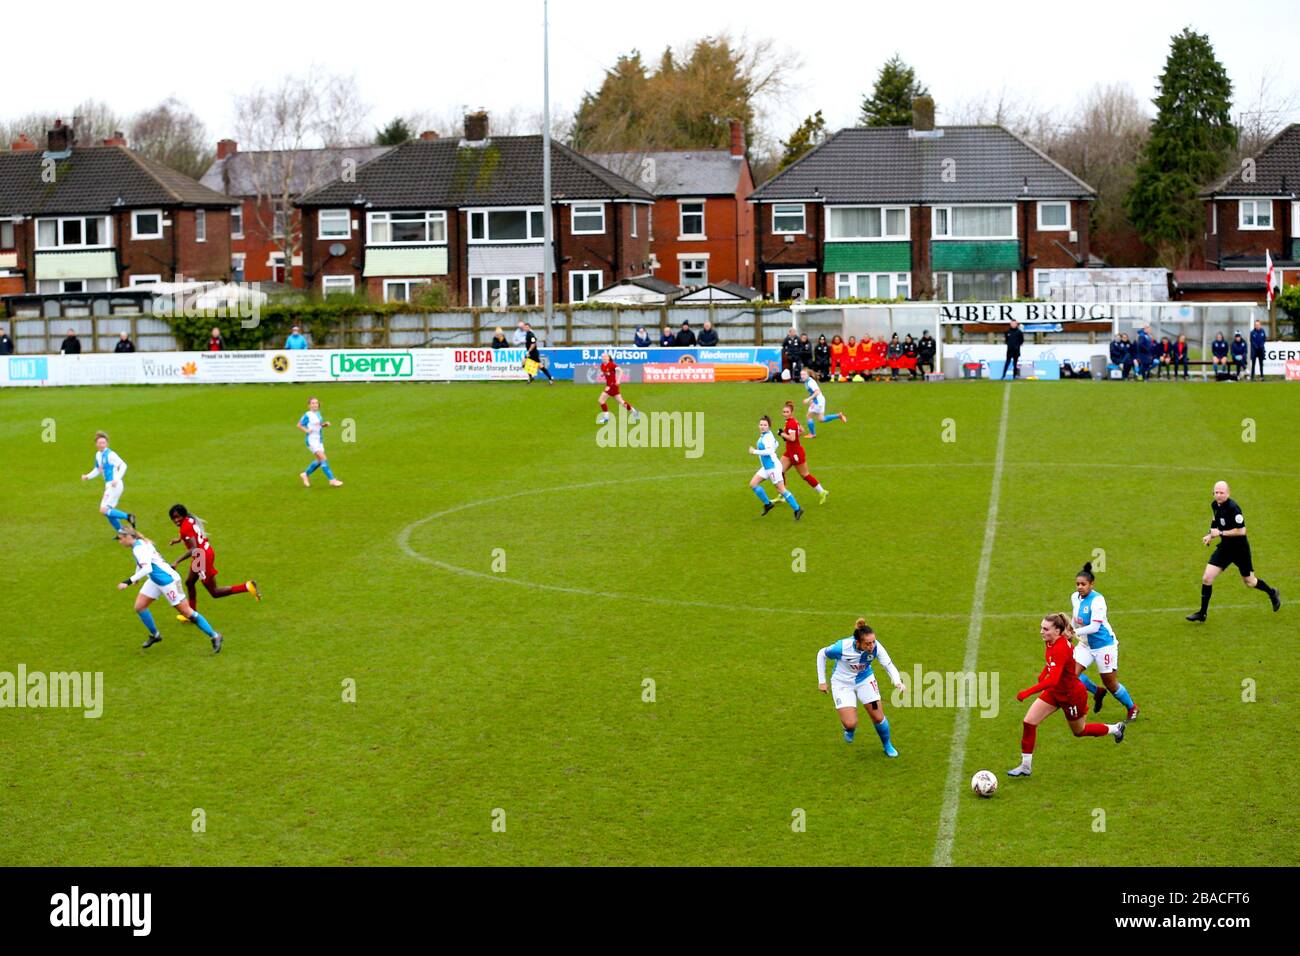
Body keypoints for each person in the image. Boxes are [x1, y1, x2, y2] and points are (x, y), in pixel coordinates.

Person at [1006, 613, 1127, 778]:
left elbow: (1054, 679)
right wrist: (1042, 674)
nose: (1041, 631)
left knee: (1079, 731)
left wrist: (1027, 692)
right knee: (1029, 722)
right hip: (1056, 692)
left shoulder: (1061, 647)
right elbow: (1051, 664)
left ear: (1057, 630)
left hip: (1071, 696)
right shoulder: (1050, 641)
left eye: (1045, 629)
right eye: (1042, 627)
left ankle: (1116, 728)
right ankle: (1025, 766)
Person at [116, 526, 224, 653]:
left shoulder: (139, 548)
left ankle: (215, 636)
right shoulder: (142, 544)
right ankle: (155, 635)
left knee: (187, 613)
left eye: (121, 539)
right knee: (140, 607)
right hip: (156, 580)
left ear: (129, 537)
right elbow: (142, 563)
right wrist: (137, 575)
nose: (120, 542)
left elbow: (147, 568)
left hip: (168, 582)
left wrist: (128, 581)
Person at [1186, 481, 1281, 622]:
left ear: (1228, 493)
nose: (1218, 495)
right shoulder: (1214, 505)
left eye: (1221, 492)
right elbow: (1215, 519)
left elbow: (1242, 531)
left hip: (1240, 550)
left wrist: (1220, 533)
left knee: (1250, 582)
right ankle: (1202, 613)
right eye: (1216, 492)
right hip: (1225, 549)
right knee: (1207, 578)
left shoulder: (1234, 509)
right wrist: (1210, 535)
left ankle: (1272, 592)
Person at [816, 619, 905, 756]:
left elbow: (888, 665)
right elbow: (822, 654)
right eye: (868, 643)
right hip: (842, 684)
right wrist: (822, 681)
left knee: (878, 716)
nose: (872, 646)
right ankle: (849, 729)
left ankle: (887, 744)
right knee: (850, 723)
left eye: (873, 642)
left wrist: (897, 681)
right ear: (858, 642)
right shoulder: (841, 647)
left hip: (865, 682)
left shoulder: (876, 647)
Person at [1070, 561, 1139, 721]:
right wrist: (1069, 629)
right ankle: (1097, 691)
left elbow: (1094, 627)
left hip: (1104, 646)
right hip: (1085, 645)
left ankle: (1132, 707)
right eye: (1077, 584)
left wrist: (1073, 632)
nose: (1080, 587)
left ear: (1092, 585)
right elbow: (1076, 618)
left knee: (1111, 683)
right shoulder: (1075, 597)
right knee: (1070, 675)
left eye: (1083, 584)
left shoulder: (1098, 601)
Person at [168, 504, 260, 618]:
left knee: (214, 592)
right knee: (189, 582)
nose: (176, 520)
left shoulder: (185, 527)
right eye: (173, 518)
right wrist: (178, 540)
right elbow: (190, 534)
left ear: (183, 515)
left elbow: (193, 548)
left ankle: (247, 586)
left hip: (202, 557)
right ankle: (191, 613)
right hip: (203, 553)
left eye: (178, 517)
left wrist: (176, 561)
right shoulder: (189, 520)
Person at [748, 415, 802, 520]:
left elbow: (770, 451)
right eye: (761, 424)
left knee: (781, 489)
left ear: (769, 426)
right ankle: (768, 504)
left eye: (765, 425)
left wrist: (754, 451)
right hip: (766, 467)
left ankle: (797, 509)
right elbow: (776, 444)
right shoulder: (765, 435)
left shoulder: (767, 437)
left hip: (773, 467)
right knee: (753, 484)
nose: (762, 426)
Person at [81, 430, 134, 533]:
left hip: (114, 485)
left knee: (103, 509)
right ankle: (121, 532)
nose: (101, 445)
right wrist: (87, 476)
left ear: (107, 444)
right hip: (109, 485)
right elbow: (98, 469)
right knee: (108, 512)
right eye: (100, 443)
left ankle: (128, 516)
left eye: (104, 443)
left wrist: (117, 479)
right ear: (96, 444)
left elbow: (123, 465)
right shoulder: (98, 455)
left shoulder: (111, 454)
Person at [779, 400, 828, 504]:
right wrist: (789, 435)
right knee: (779, 471)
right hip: (789, 452)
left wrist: (782, 434)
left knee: (804, 475)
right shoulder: (792, 421)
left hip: (796, 453)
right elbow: (802, 430)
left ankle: (822, 491)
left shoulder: (791, 423)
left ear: (791, 412)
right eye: (784, 412)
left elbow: (792, 438)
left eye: (787, 412)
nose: (785, 413)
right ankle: (782, 494)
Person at [297, 397, 343, 487]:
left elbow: (318, 426)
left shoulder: (318, 414)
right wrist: (306, 430)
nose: (315, 405)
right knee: (323, 458)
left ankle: (305, 474)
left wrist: (324, 425)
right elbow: (299, 425)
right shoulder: (307, 415)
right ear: (309, 405)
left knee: (319, 461)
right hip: (311, 440)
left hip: (319, 440)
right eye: (313, 403)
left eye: (316, 403)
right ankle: (332, 480)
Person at [800, 368, 846, 436]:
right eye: (801, 374)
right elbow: (813, 392)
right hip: (820, 400)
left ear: (808, 375)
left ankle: (812, 434)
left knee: (809, 416)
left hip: (818, 401)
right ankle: (838, 416)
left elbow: (817, 391)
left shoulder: (810, 382)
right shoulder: (807, 381)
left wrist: (808, 399)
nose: (802, 376)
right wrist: (811, 400)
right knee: (821, 419)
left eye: (804, 374)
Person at [597, 352, 638, 424]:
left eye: (604, 357)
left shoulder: (612, 364)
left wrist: (618, 380)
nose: (603, 358)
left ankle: (606, 418)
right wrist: (603, 374)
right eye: (602, 357)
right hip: (611, 386)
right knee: (621, 402)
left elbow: (620, 370)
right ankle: (634, 412)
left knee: (601, 400)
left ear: (608, 358)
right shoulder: (602, 365)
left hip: (612, 386)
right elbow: (607, 372)